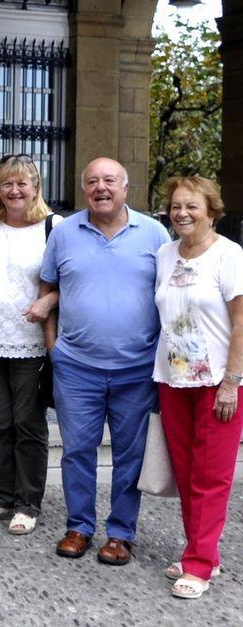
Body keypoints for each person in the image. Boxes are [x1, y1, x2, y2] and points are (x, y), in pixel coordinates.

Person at [41, 157, 170, 565]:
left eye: (109, 180)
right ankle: (78, 527)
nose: (102, 188)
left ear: (125, 187)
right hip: (76, 368)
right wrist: (54, 349)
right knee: (77, 450)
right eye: (93, 181)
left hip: (137, 370)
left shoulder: (154, 234)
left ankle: (120, 534)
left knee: (130, 455)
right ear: (84, 190)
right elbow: (47, 287)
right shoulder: (64, 234)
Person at [151, 176, 243, 599]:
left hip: (216, 383)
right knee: (187, 473)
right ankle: (201, 551)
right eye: (175, 206)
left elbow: (241, 322)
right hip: (173, 379)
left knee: (212, 475)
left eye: (191, 206)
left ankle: (200, 565)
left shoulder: (229, 255)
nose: (182, 213)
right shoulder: (165, 255)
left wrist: (232, 382)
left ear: (211, 210)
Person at [0, 155, 59, 535]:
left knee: (28, 425)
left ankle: (28, 503)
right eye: (7, 183)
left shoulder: (54, 227)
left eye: (23, 183)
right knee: (0, 424)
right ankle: (4, 496)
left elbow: (69, 280)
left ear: (36, 187)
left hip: (31, 344)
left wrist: (48, 301)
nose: (15, 190)